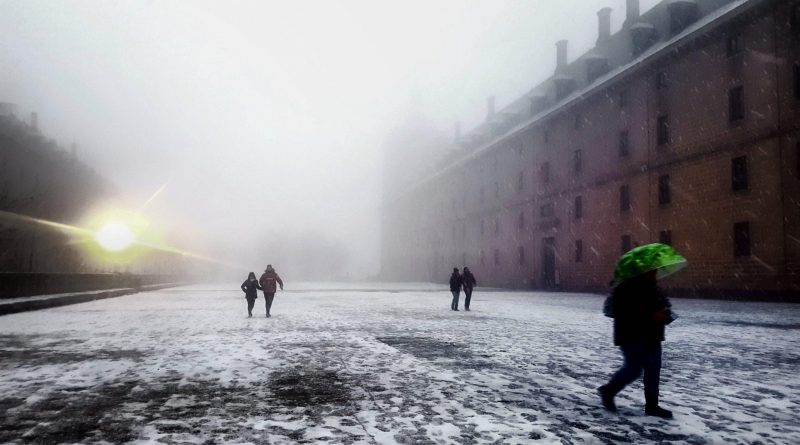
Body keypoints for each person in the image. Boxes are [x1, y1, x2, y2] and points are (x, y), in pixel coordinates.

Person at [598, 269, 675, 419]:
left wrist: (665, 312)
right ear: (642, 271)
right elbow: (626, 313)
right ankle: (609, 390)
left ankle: (652, 406)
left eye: (655, 270)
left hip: (653, 334)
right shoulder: (625, 288)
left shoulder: (653, 286)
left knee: (653, 369)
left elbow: (663, 304)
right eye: (651, 271)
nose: (655, 273)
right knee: (634, 368)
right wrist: (651, 315)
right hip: (631, 335)